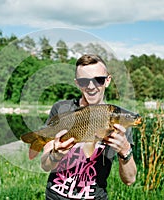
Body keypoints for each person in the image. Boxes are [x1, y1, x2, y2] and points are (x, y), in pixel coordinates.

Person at [41, 54, 137, 199]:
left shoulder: (118, 120)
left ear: (107, 80)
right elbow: (45, 165)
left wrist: (125, 151)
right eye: (84, 81)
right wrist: (56, 155)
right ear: (77, 83)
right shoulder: (61, 109)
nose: (91, 86)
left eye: (98, 80)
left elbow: (130, 180)